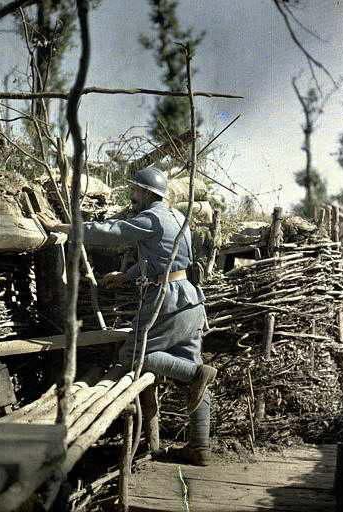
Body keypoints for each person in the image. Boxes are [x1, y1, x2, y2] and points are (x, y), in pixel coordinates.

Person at [39, 166, 217, 466]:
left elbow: (114, 232)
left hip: (168, 302)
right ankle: (200, 448)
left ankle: (196, 373)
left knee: (134, 357)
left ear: (147, 193)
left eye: (135, 190)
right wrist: (127, 275)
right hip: (191, 300)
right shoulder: (177, 218)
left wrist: (68, 229)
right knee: (191, 371)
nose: (132, 196)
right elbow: (165, 259)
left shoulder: (151, 218)